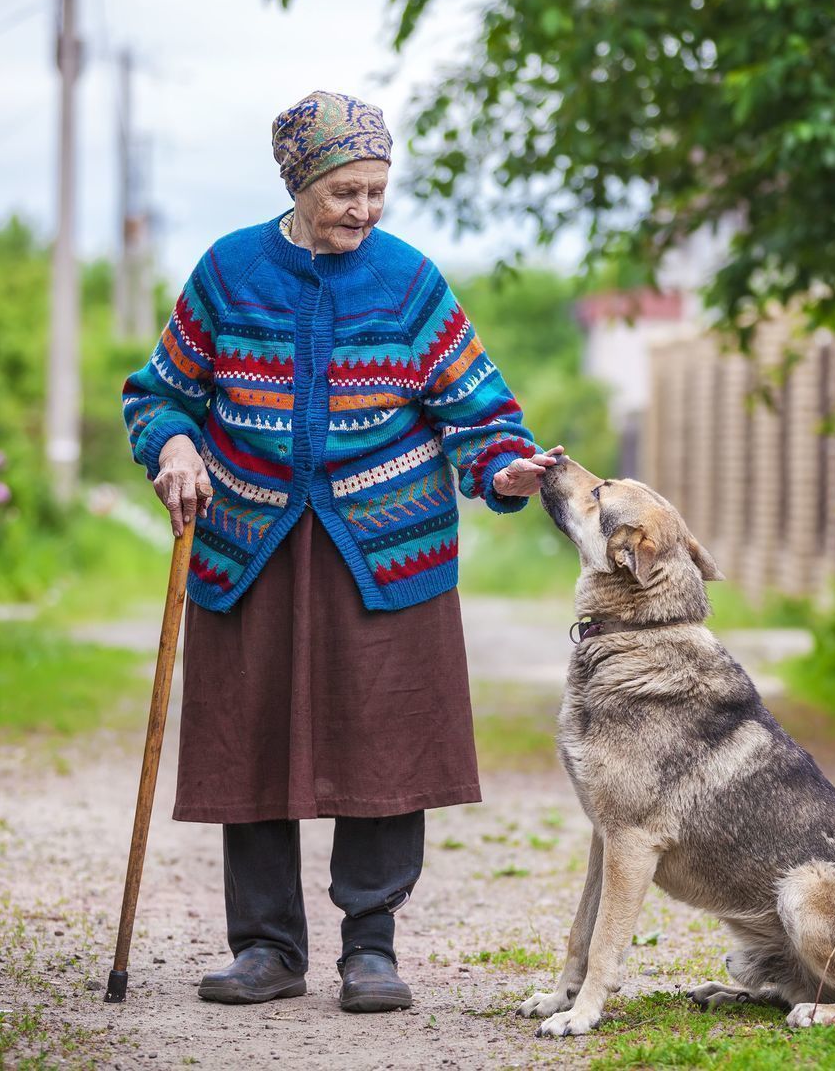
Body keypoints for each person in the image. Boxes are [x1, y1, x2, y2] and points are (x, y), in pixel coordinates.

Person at [119, 90, 561, 1013]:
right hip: (249, 542)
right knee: (250, 740)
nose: (363, 210)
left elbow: (480, 416)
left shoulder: (409, 282)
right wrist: (173, 447)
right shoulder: (228, 272)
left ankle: (372, 949)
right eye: (344, 192)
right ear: (299, 181)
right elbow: (158, 393)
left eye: (375, 190)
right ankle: (269, 948)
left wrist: (508, 472)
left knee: (387, 739)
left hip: (386, 548)